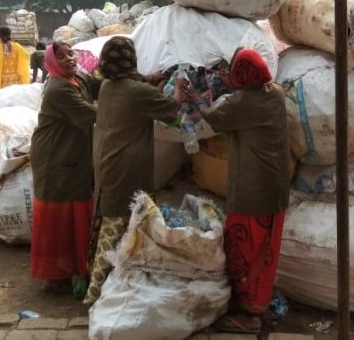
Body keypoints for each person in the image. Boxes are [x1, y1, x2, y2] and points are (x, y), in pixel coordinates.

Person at [186, 48, 290, 334]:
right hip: (274, 189)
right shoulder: (274, 93)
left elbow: (213, 117)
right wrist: (234, 85)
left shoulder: (243, 102)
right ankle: (255, 302)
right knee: (265, 250)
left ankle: (251, 313)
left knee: (245, 248)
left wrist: (194, 98)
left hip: (252, 192)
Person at [84, 36, 178, 304]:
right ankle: (97, 293)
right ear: (131, 60)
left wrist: (149, 80)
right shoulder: (139, 92)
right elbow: (172, 111)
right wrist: (179, 91)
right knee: (120, 228)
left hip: (107, 164)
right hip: (127, 168)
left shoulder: (107, 87)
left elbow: (134, 87)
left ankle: (99, 283)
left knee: (107, 219)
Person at [30, 41, 101, 295]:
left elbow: (102, 87)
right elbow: (92, 114)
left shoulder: (79, 77)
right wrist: (128, 106)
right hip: (55, 155)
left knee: (74, 209)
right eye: (61, 56)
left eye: (71, 53)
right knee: (59, 214)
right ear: (51, 62)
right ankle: (55, 274)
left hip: (72, 152)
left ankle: (72, 268)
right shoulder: (58, 88)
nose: (69, 58)